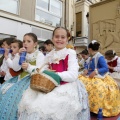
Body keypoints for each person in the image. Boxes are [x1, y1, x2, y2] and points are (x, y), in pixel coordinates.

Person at [18, 27, 90, 120]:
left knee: (50, 103)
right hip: (50, 85)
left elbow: (73, 75)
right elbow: (41, 70)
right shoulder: (49, 55)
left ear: (67, 39)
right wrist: (29, 67)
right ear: (52, 39)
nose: (59, 39)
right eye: (57, 36)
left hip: (66, 85)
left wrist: (55, 75)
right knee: (30, 101)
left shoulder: (70, 53)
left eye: (63, 37)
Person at [0, 33, 45, 120]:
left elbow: (41, 70)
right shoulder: (23, 53)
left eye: (29, 41)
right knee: (3, 90)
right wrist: (18, 55)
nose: (25, 43)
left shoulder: (39, 55)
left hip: (31, 80)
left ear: (35, 44)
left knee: (16, 97)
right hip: (20, 79)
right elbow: (16, 68)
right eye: (24, 41)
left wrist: (29, 67)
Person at [78, 40, 120, 117]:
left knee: (98, 87)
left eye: (88, 49)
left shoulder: (99, 57)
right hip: (90, 76)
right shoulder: (91, 57)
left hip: (100, 76)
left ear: (90, 49)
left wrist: (96, 71)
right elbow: (87, 65)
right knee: (79, 81)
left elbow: (105, 68)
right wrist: (86, 70)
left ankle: (96, 108)